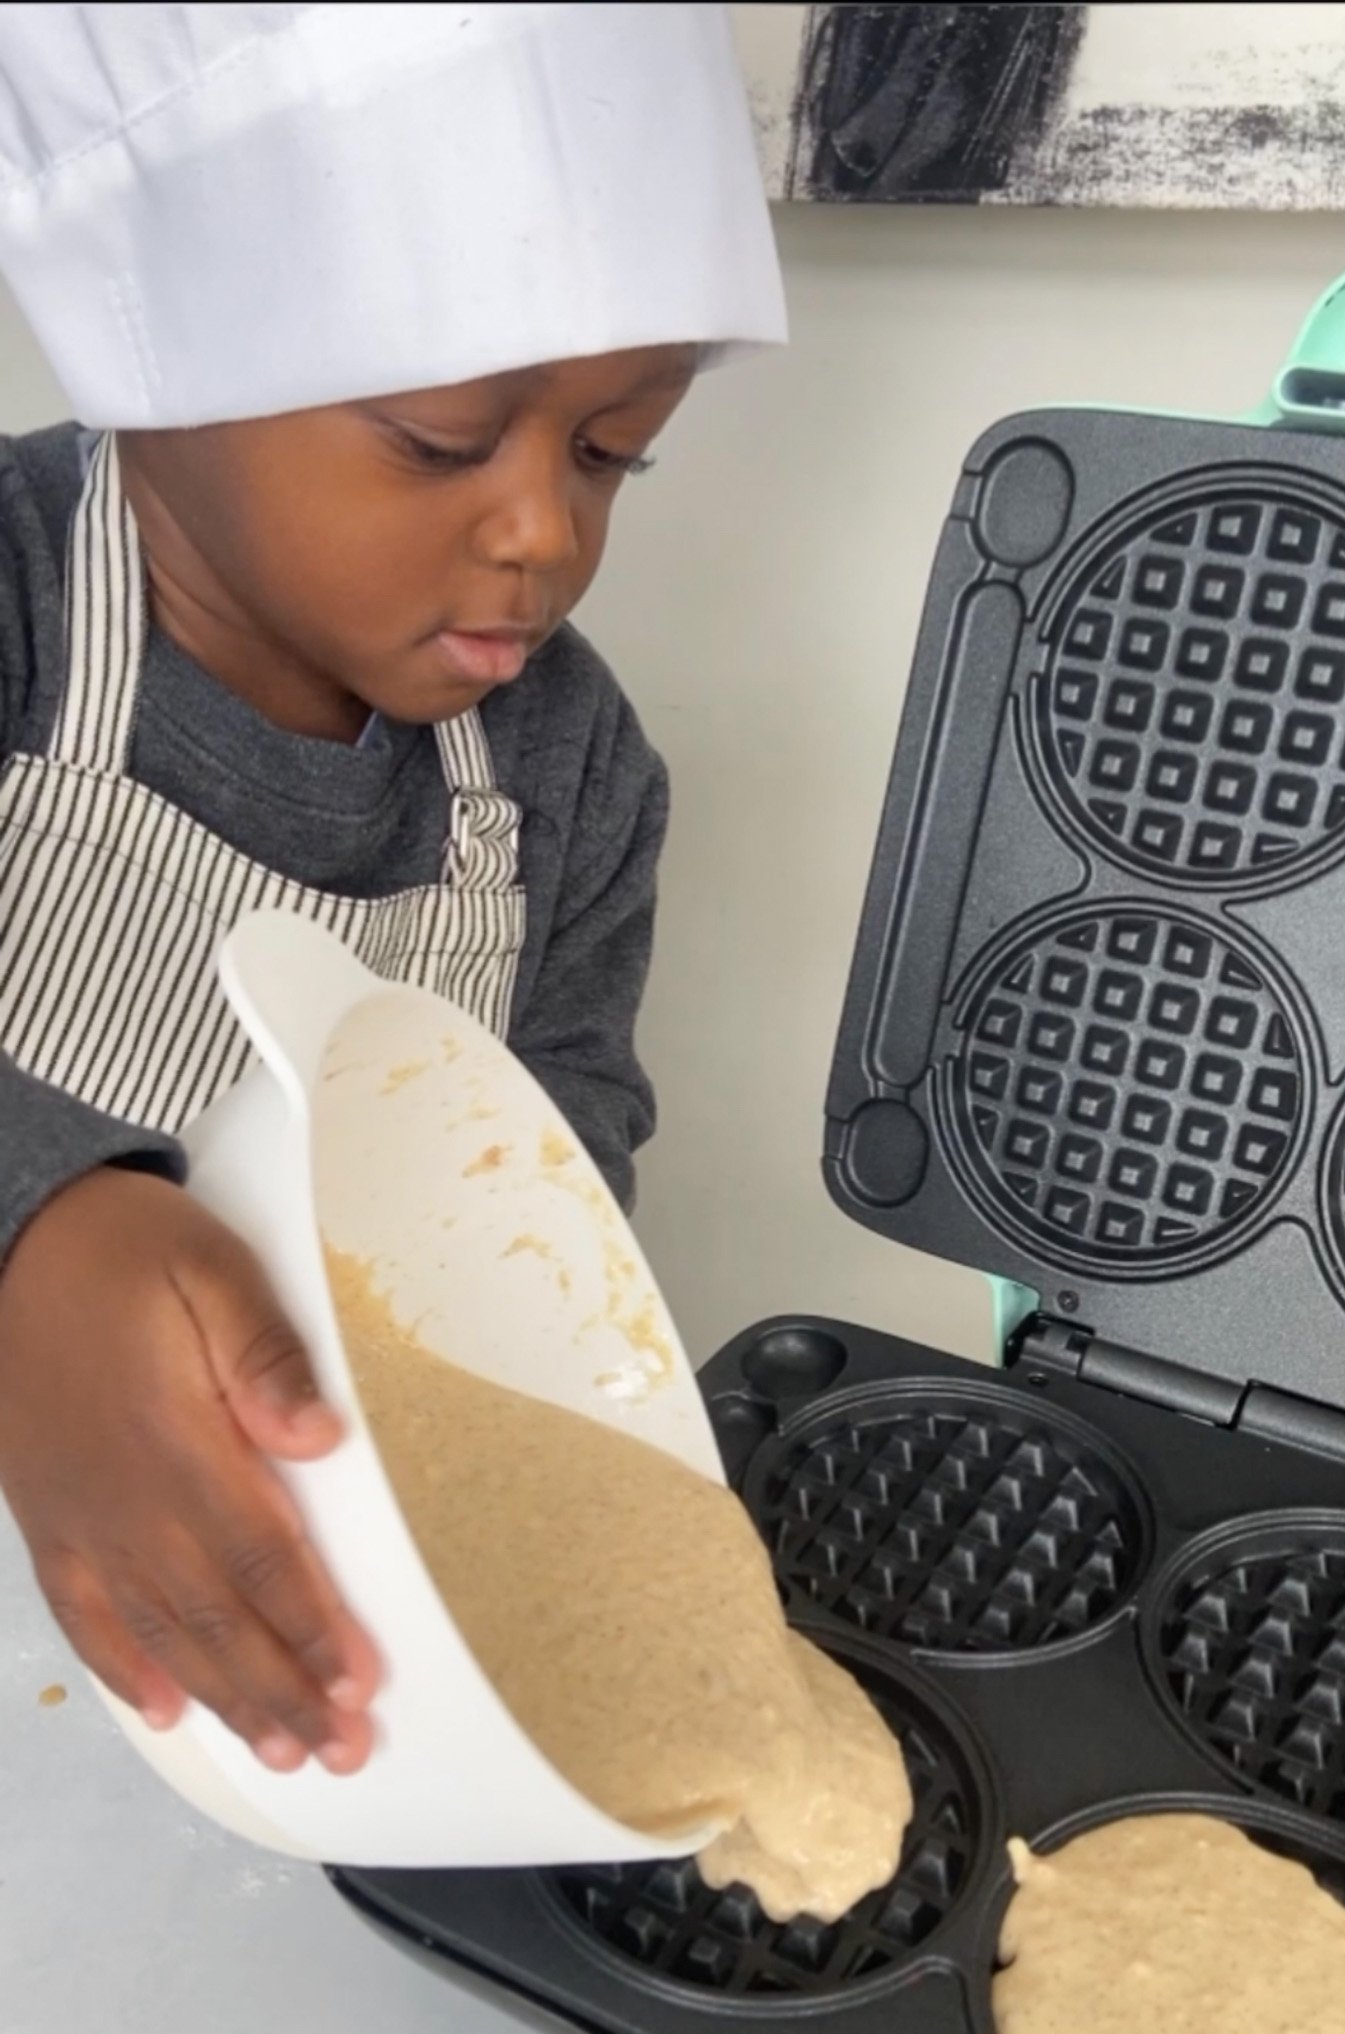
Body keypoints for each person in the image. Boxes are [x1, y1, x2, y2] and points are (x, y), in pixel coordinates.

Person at [0, 3, 784, 1778]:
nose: (542, 535)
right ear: (166, 350)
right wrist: (34, 1233)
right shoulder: (19, 603)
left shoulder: (569, 774)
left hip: (286, 1634)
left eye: (608, 450)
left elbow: (552, 1187)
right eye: (442, 438)